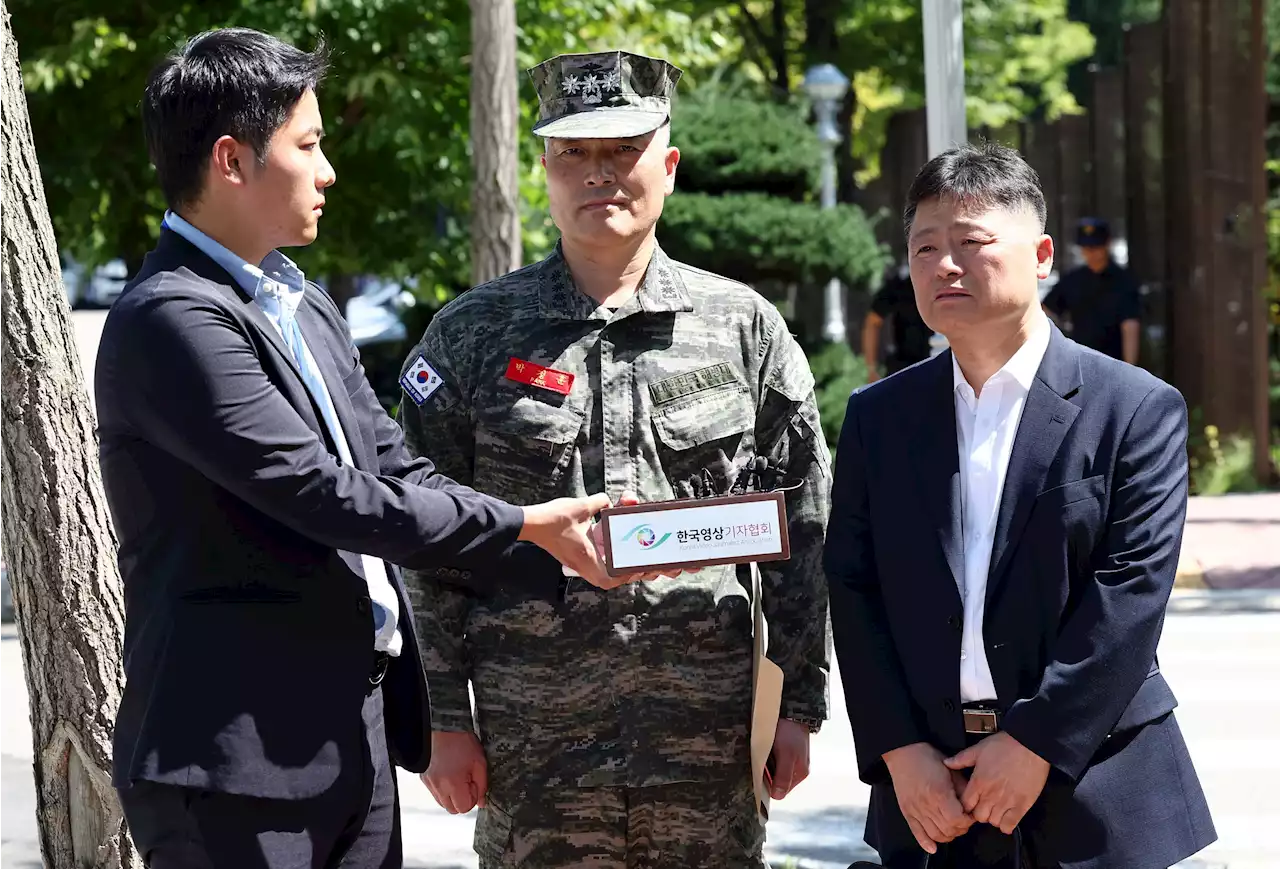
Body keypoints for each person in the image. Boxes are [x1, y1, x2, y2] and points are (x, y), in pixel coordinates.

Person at [95, 29, 642, 869]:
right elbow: (322, 495)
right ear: (232, 161)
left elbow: (395, 471)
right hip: (236, 763)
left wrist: (543, 538)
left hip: (353, 743)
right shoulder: (173, 318)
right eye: (309, 145)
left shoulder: (302, 305)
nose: (328, 170)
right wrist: (525, 527)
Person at [398, 50, 832, 869]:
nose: (599, 173)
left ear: (667, 165)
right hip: (537, 751)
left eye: (622, 150)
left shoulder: (745, 330)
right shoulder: (470, 336)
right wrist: (443, 718)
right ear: (545, 169)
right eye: (574, 153)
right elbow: (427, 538)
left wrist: (799, 702)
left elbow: (801, 529)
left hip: (705, 751)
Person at [824, 142, 1216, 869]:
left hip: (1096, 788)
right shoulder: (879, 417)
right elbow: (852, 584)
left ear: (1040, 254)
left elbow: (1129, 594)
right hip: (931, 794)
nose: (945, 264)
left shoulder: (1134, 408)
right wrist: (899, 750)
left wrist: (1037, 741)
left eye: (970, 243)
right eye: (925, 248)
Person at [1041, 217, 1141, 364]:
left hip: (1113, 364)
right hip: (1078, 363)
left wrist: (1130, 369)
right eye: (1086, 248)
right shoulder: (1073, 280)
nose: (1090, 253)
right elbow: (1046, 309)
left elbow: (1130, 328)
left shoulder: (1124, 282)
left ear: (1107, 244)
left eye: (1095, 247)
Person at [862, 262, 934, 381]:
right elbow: (872, 321)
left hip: (946, 365)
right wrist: (871, 369)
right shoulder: (901, 284)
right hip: (906, 369)